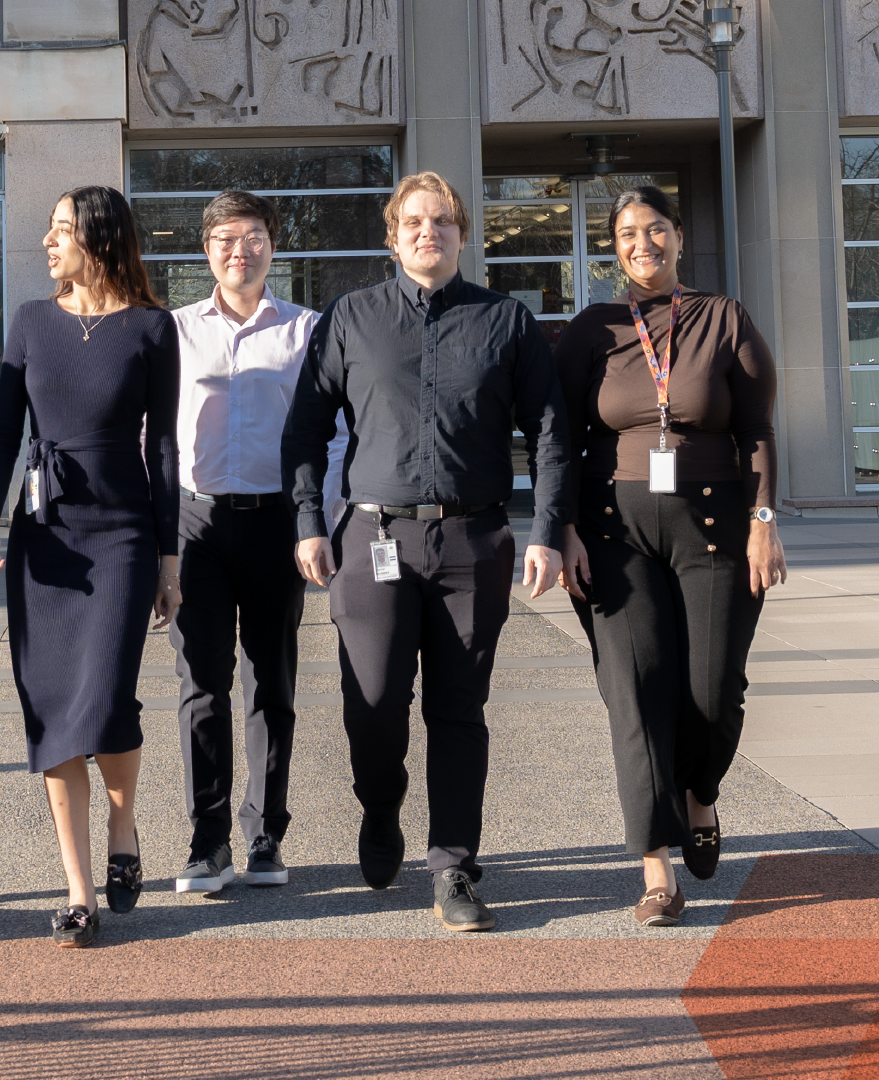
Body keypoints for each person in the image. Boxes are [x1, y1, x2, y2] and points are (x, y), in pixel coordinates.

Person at [280, 171, 571, 934]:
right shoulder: (351, 318)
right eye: (413, 221)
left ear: (464, 235)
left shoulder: (505, 321)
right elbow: (306, 427)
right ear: (391, 234)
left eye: (442, 221)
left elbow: (548, 433)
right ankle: (381, 810)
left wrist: (544, 531)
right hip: (373, 537)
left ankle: (453, 866)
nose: (427, 233)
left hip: (475, 540)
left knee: (459, 709)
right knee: (372, 701)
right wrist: (309, 521)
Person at [552, 186, 786, 928]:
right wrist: (561, 527)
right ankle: (656, 863)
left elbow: (755, 428)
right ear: (612, 247)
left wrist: (763, 519)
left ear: (679, 236)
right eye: (626, 233)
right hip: (614, 532)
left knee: (713, 690)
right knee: (635, 690)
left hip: (715, 525)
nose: (641, 243)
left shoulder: (724, 317)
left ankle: (701, 793)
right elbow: (561, 440)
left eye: (654, 229)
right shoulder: (594, 328)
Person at [0, 186, 180, 948]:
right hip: (47, 537)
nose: (48, 240)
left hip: (123, 534)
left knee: (105, 697)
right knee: (55, 707)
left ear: (99, 238)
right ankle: (78, 886)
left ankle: (124, 823)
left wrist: (168, 558)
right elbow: (4, 432)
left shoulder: (152, 328)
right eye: (50, 225)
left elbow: (162, 449)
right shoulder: (30, 322)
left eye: (62, 228)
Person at [167, 190, 347, 894]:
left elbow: (334, 434)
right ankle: (206, 840)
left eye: (253, 238)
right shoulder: (175, 331)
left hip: (277, 522)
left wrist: (316, 523)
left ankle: (266, 836)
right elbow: (152, 437)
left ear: (274, 245)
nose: (238, 251)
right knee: (200, 686)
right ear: (206, 249)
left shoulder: (306, 331)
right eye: (224, 239)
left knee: (270, 685)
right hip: (197, 524)